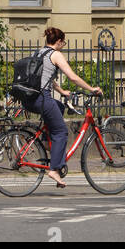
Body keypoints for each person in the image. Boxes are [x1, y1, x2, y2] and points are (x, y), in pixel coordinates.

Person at [34, 26, 103, 190]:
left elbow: (45, 78)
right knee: (62, 131)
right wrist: (91, 88)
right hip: (42, 98)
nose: (63, 45)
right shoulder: (55, 54)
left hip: (31, 98)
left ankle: (47, 142)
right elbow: (72, 77)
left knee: (58, 106)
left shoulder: (38, 53)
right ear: (58, 42)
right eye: (63, 42)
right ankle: (55, 169)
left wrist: (61, 91)